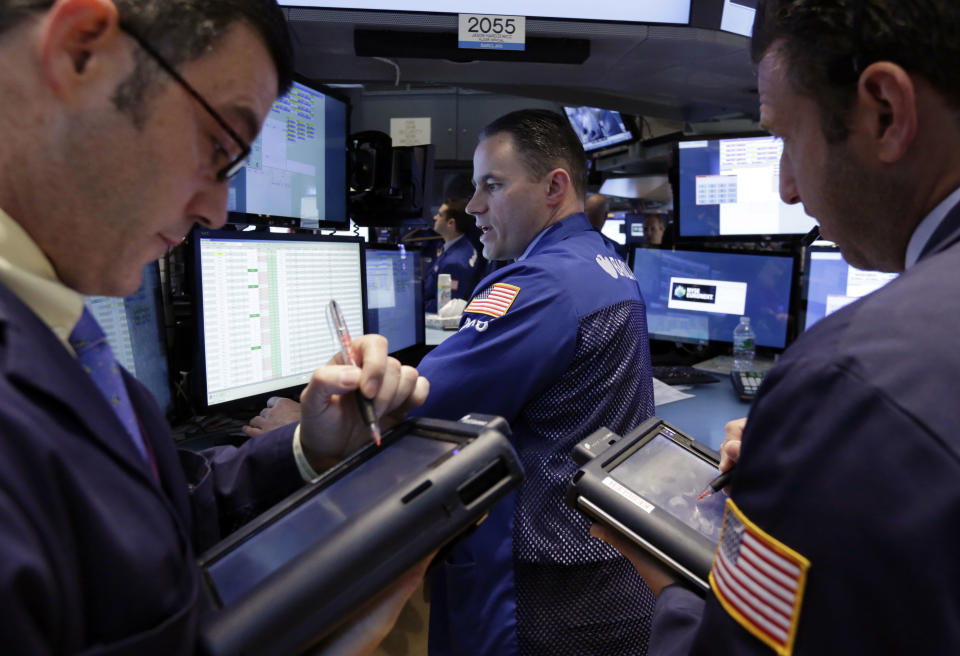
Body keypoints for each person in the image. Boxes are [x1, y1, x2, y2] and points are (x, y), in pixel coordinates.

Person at [0, 1, 429, 653]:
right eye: (219, 148)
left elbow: (161, 518)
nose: (218, 211)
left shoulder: (64, 331)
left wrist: (309, 449)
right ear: (80, 50)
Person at [597, 1, 960, 653]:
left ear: (884, 111)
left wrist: (669, 583)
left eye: (786, 139)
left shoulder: (850, 377)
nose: (789, 189)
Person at [413, 109, 657, 655]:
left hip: (546, 588)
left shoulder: (543, 284)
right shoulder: (604, 261)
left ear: (554, 187)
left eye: (491, 186)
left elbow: (422, 404)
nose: (473, 206)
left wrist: (306, 427)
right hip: (598, 566)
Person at [423, 197, 481, 312]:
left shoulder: (453, 263)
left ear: (450, 223)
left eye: (439, 215)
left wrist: (415, 305)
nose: (435, 218)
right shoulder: (465, 244)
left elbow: (445, 306)